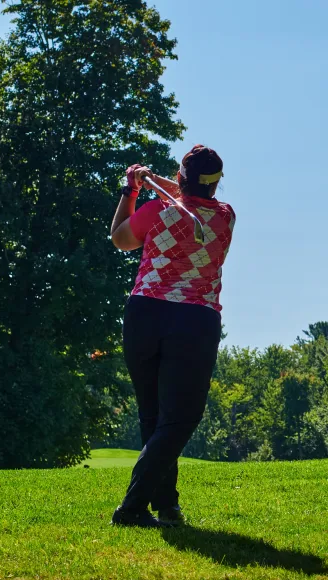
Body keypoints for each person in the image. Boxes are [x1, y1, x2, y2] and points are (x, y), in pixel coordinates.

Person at [107, 145, 234, 527]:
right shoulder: (225, 218)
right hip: (194, 321)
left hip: (145, 315)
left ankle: (166, 505)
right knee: (179, 417)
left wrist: (132, 190)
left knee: (157, 415)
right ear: (217, 184)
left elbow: (120, 238)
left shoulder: (154, 211)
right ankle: (133, 508)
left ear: (180, 178)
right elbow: (190, 196)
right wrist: (154, 181)